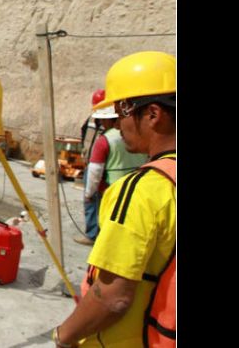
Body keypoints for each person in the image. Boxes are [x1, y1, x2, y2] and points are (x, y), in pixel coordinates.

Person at [54, 51, 176, 348]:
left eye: (121, 113)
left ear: (152, 114)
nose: (119, 125)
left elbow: (112, 298)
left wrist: (63, 336)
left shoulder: (143, 190)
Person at [76, 97, 147, 246]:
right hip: (136, 185)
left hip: (110, 187)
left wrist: (89, 193)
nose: (101, 123)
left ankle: (94, 236)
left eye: (103, 120)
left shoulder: (105, 140)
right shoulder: (140, 136)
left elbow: (95, 171)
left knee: (105, 215)